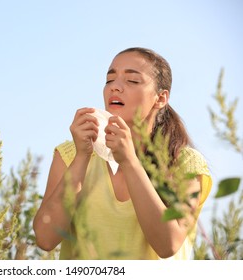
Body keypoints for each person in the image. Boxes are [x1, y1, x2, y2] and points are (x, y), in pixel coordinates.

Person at [33, 47, 212, 260]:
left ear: (161, 98)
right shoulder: (70, 154)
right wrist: (82, 157)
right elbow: (45, 239)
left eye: (132, 81)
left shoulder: (184, 162)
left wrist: (129, 160)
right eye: (109, 80)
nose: (114, 88)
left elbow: (168, 244)